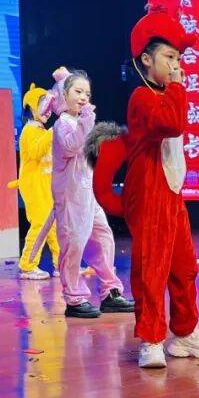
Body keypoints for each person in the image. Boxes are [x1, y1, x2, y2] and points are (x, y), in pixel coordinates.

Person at [110, 5, 199, 368]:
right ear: (146, 59)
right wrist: (177, 86)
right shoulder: (142, 97)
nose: (176, 65)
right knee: (152, 265)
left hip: (171, 189)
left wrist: (175, 87)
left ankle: (185, 332)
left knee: (183, 266)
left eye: (178, 58)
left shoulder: (164, 92)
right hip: (149, 190)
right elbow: (172, 124)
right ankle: (151, 338)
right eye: (169, 57)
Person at [47, 67, 133, 319]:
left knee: (103, 238)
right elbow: (72, 146)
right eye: (78, 91)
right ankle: (74, 298)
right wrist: (87, 120)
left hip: (87, 195)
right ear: (64, 95)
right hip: (70, 196)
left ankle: (110, 292)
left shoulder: (80, 121)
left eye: (87, 93)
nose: (84, 97)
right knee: (73, 244)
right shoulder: (62, 124)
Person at [9, 83, 60, 280]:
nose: (48, 111)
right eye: (44, 106)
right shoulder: (30, 131)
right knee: (40, 223)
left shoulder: (40, 130)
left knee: (54, 226)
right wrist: (52, 132)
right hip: (33, 186)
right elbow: (36, 152)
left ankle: (62, 264)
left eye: (50, 107)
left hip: (46, 186)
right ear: (32, 107)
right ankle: (28, 266)